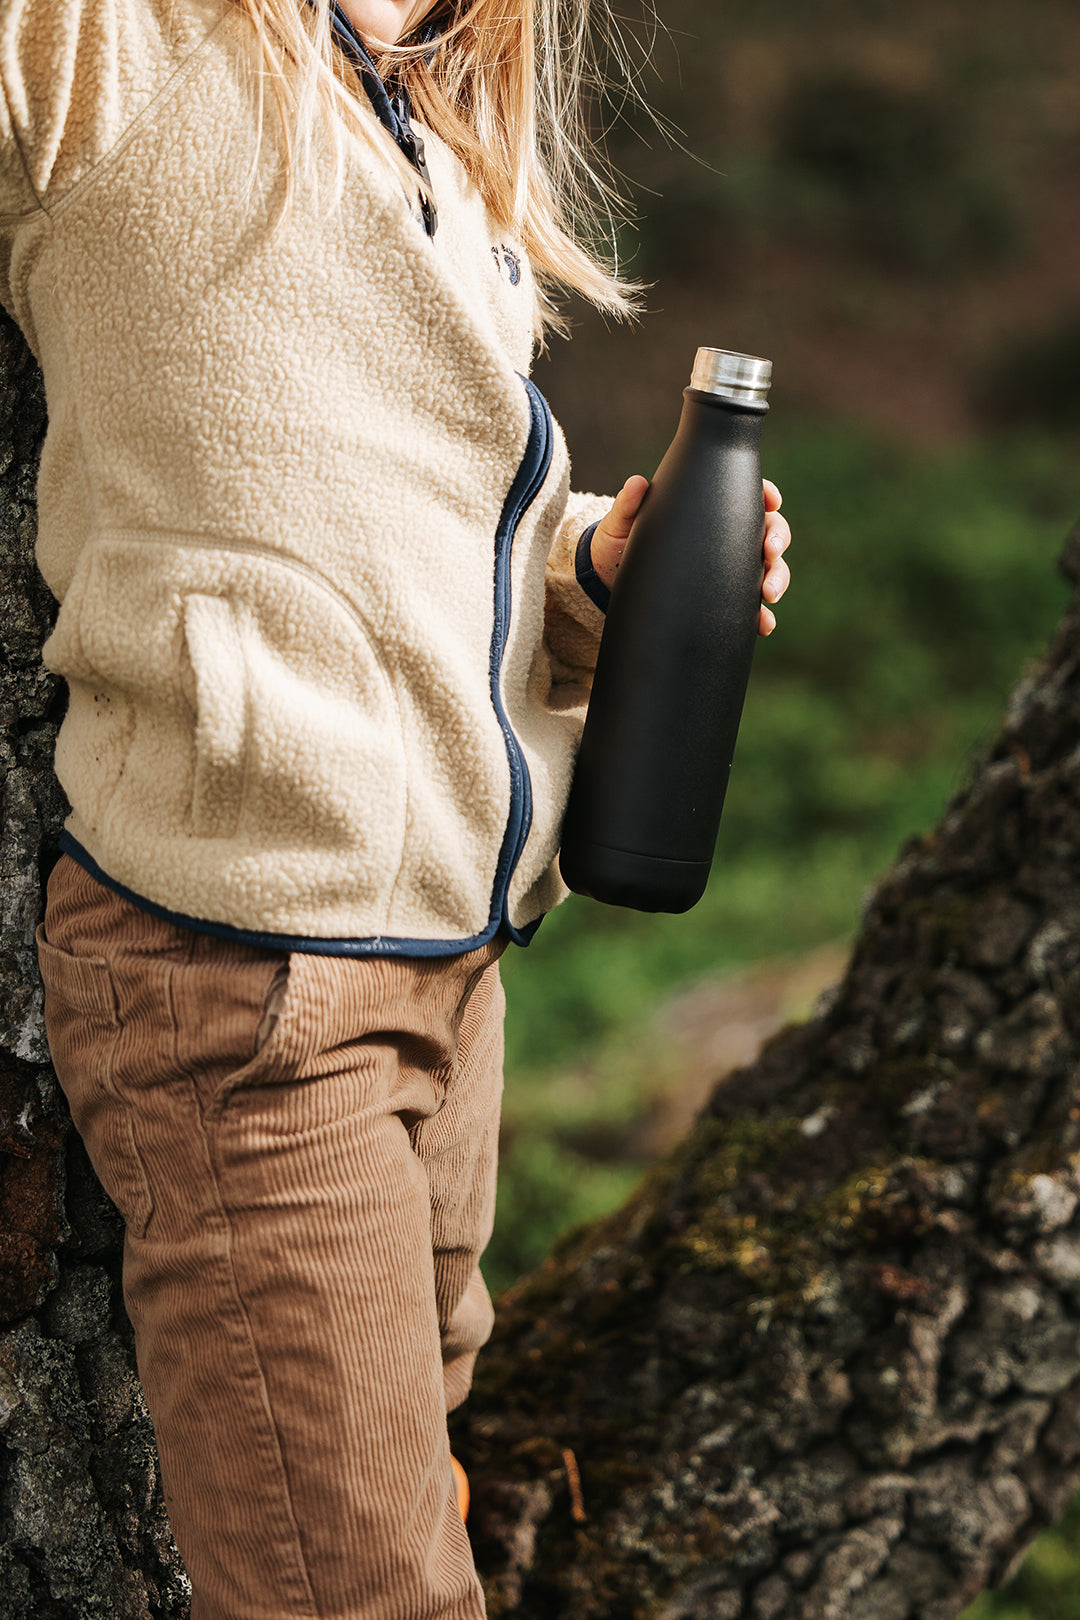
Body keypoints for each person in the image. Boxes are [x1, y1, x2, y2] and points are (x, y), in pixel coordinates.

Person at [0, 1, 791, 1616]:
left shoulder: (435, 116)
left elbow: (376, 528)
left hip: (449, 970)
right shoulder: (114, 46)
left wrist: (586, 576)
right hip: (245, 975)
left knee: (409, 1492)